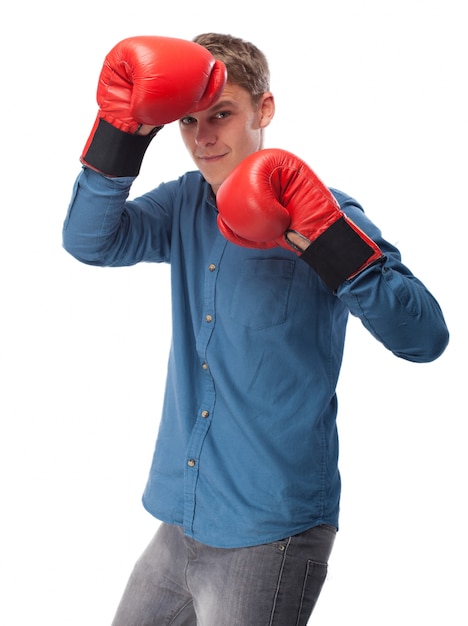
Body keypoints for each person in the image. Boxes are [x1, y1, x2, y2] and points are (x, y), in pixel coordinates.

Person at [62, 33, 449, 626]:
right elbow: (89, 241)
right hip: (181, 513)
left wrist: (327, 239)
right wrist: (123, 130)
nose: (203, 137)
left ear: (264, 110)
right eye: (188, 121)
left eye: (222, 114)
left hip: (271, 530)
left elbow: (425, 338)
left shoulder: (327, 210)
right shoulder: (185, 205)